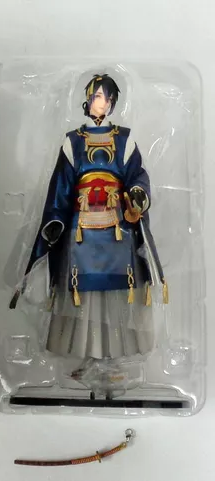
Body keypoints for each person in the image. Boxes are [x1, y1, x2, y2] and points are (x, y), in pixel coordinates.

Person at [11, 74, 168, 391]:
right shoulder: (72, 142)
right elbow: (60, 188)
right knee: (81, 294)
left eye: (106, 97)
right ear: (87, 100)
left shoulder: (125, 140)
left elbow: (137, 176)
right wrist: (55, 220)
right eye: (96, 96)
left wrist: (138, 194)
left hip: (117, 231)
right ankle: (88, 360)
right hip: (81, 233)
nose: (101, 102)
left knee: (118, 294)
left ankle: (114, 360)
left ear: (112, 103)